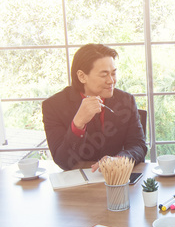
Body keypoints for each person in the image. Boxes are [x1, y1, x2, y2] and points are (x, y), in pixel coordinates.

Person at [42, 43, 147, 171]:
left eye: (113, 73)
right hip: (79, 183)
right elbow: (63, 162)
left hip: (118, 178)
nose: (111, 81)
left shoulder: (125, 100)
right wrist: (78, 124)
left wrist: (119, 159)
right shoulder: (53, 106)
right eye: (104, 75)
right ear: (82, 76)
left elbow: (139, 146)